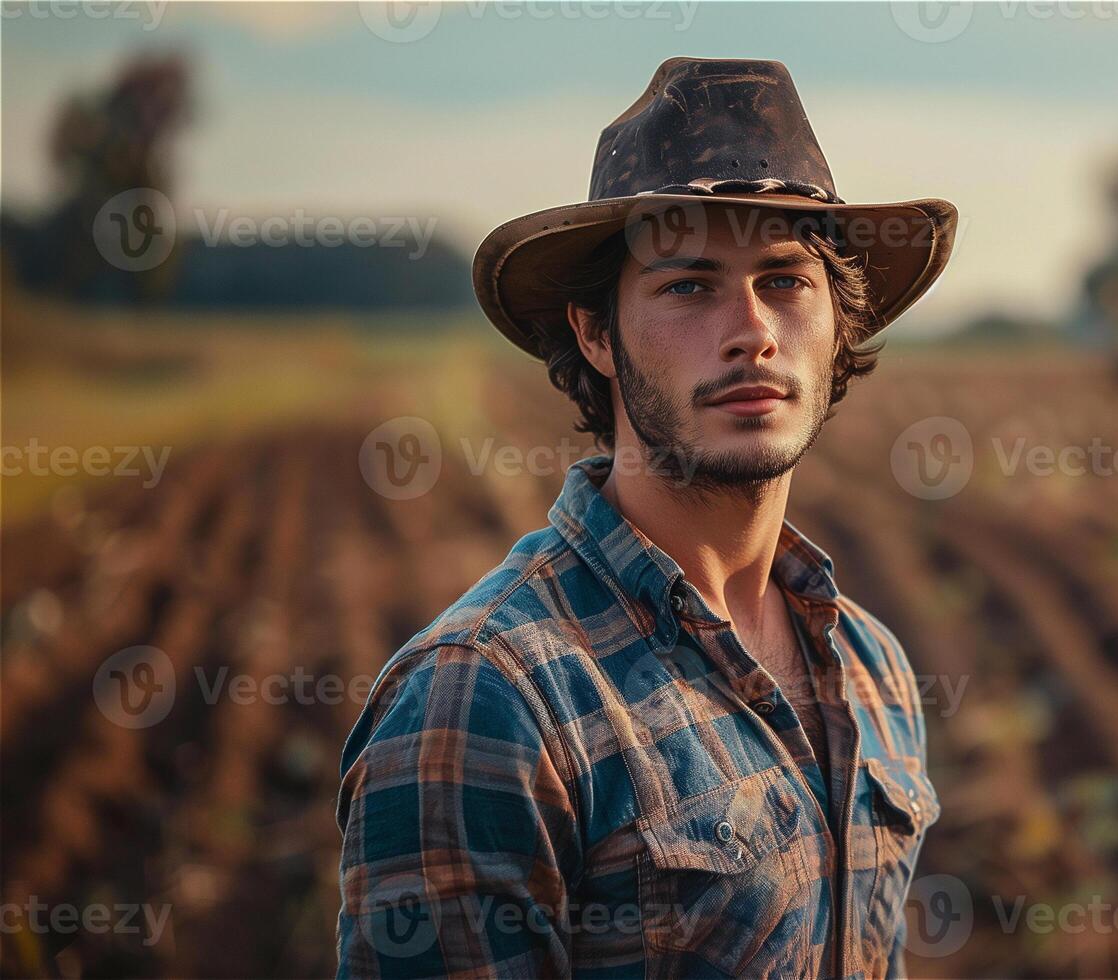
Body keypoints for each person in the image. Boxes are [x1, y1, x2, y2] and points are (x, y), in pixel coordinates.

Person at [337, 56, 957, 978]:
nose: (749, 329)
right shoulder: (488, 702)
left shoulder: (871, 668)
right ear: (596, 333)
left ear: (839, 325)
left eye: (785, 281)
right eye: (688, 286)